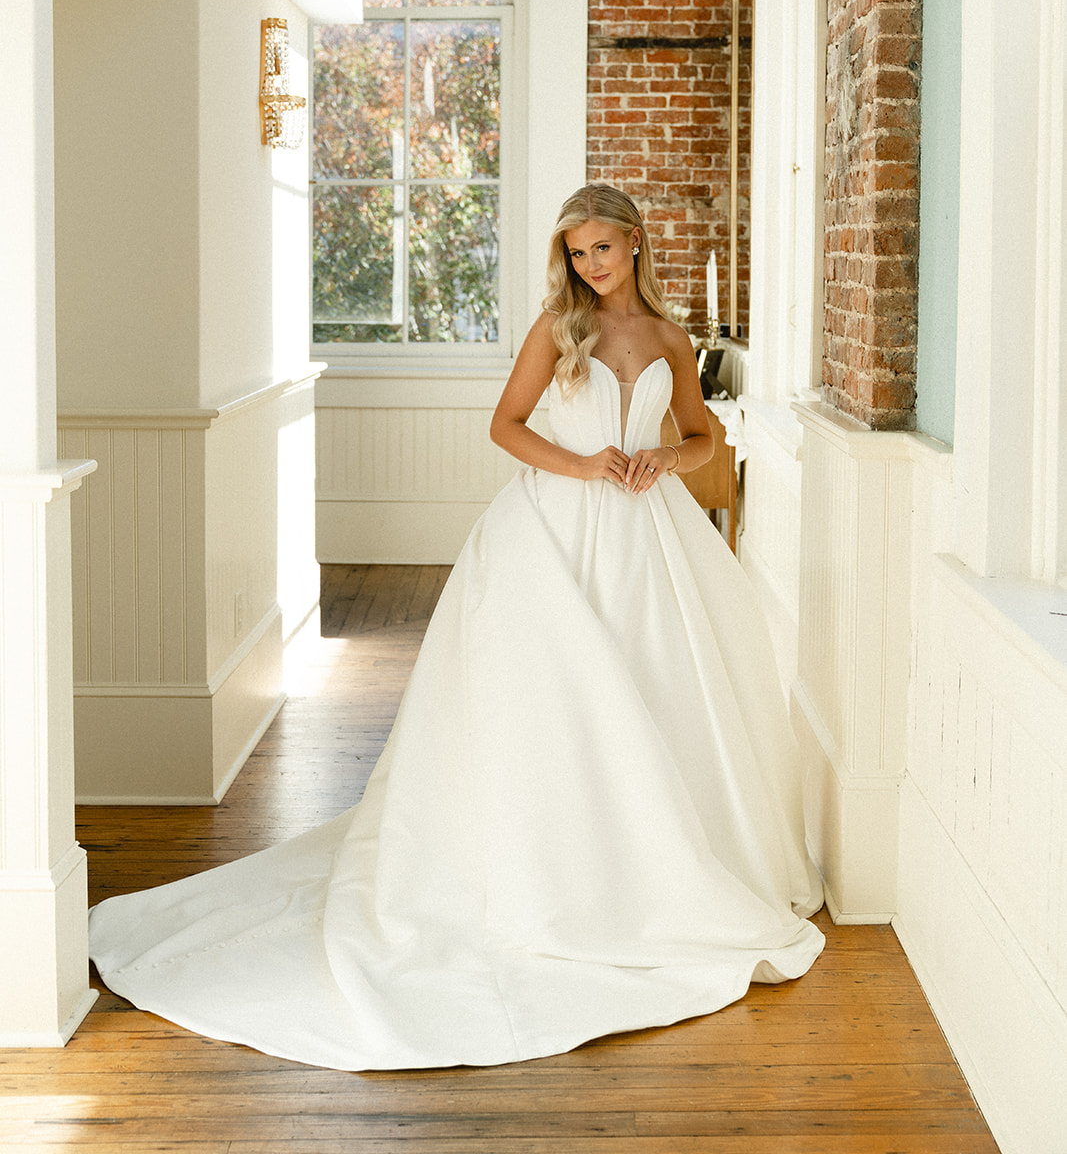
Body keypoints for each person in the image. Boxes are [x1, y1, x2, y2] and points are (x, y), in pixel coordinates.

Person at [88, 183, 824, 1072]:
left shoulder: (671, 339)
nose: (590, 266)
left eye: (602, 249)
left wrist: (668, 455)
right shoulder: (559, 331)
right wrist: (585, 464)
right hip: (556, 530)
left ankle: (654, 866)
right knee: (558, 705)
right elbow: (505, 427)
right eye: (576, 253)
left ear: (633, 244)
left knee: (658, 690)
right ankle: (547, 869)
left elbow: (703, 436)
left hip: (649, 537)